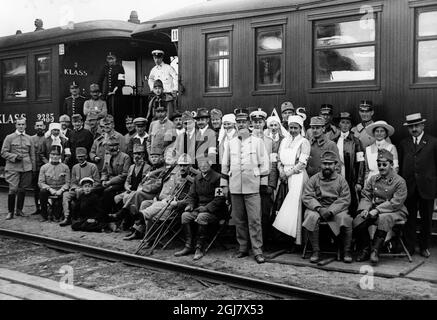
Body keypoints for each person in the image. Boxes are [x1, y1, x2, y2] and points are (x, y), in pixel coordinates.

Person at [221, 108, 270, 264]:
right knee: (239, 220)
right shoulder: (230, 143)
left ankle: (257, 250)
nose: (241, 124)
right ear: (236, 124)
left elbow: (265, 164)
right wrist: (224, 185)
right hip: (235, 186)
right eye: (239, 122)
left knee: (255, 220)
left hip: (252, 187)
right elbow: (225, 164)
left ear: (249, 124)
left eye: (244, 122)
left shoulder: (257, 142)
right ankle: (243, 247)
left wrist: (262, 184)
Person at [353, 149, 408, 265]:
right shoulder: (373, 179)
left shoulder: (399, 181)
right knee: (358, 221)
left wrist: (377, 210)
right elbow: (366, 196)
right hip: (375, 209)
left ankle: (375, 251)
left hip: (395, 211)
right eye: (379, 165)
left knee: (384, 218)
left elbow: (396, 202)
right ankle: (366, 249)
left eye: (384, 164)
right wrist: (364, 209)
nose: (381, 167)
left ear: (391, 165)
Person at [302, 150, 352, 263]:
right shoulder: (314, 179)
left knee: (346, 218)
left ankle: (347, 250)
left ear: (335, 165)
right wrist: (319, 208)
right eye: (325, 164)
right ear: (321, 165)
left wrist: (331, 211)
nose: (327, 166)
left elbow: (345, 199)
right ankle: (316, 250)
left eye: (330, 164)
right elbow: (307, 196)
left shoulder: (341, 180)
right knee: (311, 217)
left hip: (336, 209)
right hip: (317, 208)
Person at [399, 113, 437, 258]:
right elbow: (401, 166)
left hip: (427, 187)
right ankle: (410, 246)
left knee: (427, 219)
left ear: (422, 126)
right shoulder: (404, 143)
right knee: (410, 219)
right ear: (408, 129)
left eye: (416, 125)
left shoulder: (433, 142)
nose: (414, 129)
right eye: (411, 127)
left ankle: (424, 247)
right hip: (409, 188)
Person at [174, 157, 227, 260]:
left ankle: (199, 248)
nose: (203, 166)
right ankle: (188, 246)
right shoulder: (197, 178)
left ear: (210, 164)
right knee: (185, 216)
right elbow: (192, 196)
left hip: (215, 211)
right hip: (199, 209)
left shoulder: (217, 178)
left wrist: (206, 208)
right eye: (200, 164)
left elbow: (219, 199)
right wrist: (190, 205)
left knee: (202, 217)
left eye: (205, 163)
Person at [134, 154, 193, 242]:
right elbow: (169, 190)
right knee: (146, 204)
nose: (182, 167)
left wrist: (176, 202)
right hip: (168, 201)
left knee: (154, 212)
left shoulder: (193, 180)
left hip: (178, 207)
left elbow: (191, 199)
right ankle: (147, 234)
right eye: (180, 165)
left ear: (190, 166)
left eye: (185, 165)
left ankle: (143, 217)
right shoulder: (177, 175)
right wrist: (164, 198)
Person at [273, 115, 310, 246]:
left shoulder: (304, 142)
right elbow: (278, 159)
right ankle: (284, 240)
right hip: (283, 175)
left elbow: (302, 163)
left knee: (294, 207)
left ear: (300, 128)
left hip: (297, 176)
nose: (293, 130)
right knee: (281, 205)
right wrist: (281, 171)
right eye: (291, 127)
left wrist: (288, 173)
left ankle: (297, 240)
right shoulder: (284, 141)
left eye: (296, 128)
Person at [115, 148, 167, 239]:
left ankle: (123, 214)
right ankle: (135, 228)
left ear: (161, 158)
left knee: (137, 195)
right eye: (152, 157)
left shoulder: (163, 170)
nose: (154, 159)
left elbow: (157, 186)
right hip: (145, 191)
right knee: (134, 196)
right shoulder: (152, 168)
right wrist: (140, 187)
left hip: (154, 194)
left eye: (156, 157)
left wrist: (143, 188)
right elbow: (142, 181)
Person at [250, 109, 278, 244]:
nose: (257, 125)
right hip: (250, 183)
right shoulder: (245, 140)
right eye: (255, 122)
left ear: (264, 123)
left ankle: (264, 242)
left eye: (260, 122)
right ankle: (252, 242)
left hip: (265, 182)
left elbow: (273, 164)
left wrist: (271, 184)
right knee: (252, 213)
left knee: (265, 213)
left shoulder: (270, 141)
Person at [1, 117, 36, 219]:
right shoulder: (9, 137)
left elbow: (32, 155)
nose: (21, 126)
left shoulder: (29, 138)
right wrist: (14, 157)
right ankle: (10, 212)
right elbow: (3, 152)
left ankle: (19, 210)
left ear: (25, 125)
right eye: (19, 124)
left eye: (23, 124)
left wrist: (33, 169)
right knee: (13, 189)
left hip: (26, 168)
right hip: (13, 168)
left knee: (22, 189)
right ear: (16, 125)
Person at [333, 112, 365, 214]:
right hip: (337, 173)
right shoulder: (334, 140)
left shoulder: (356, 141)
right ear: (339, 124)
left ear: (351, 125)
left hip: (351, 174)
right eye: (343, 122)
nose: (345, 125)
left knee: (351, 199)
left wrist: (359, 181)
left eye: (348, 123)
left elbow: (361, 162)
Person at [112, 144, 151, 229]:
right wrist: (127, 187)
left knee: (128, 198)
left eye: (139, 154)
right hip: (130, 190)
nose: (137, 156)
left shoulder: (148, 168)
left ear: (143, 155)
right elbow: (127, 181)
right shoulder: (131, 167)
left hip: (139, 191)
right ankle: (124, 219)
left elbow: (147, 182)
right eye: (135, 154)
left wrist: (137, 189)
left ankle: (127, 221)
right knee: (117, 198)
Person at [60, 147, 100, 227]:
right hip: (77, 189)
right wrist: (76, 188)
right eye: (79, 156)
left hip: (88, 190)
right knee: (65, 195)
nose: (80, 158)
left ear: (86, 157)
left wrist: (85, 188)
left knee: (80, 193)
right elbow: (73, 182)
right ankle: (67, 217)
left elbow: (97, 182)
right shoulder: (75, 167)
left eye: (82, 156)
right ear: (76, 157)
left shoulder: (93, 166)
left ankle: (79, 217)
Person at [38, 145, 70, 222]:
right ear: (49, 155)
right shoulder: (44, 167)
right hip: (49, 189)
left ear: (60, 156)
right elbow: (40, 183)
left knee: (57, 217)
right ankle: (44, 215)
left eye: (57, 155)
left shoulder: (65, 167)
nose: (55, 156)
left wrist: (61, 190)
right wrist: (50, 189)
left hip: (60, 190)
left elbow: (68, 183)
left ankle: (57, 214)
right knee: (42, 192)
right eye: (53, 154)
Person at [101, 138, 131, 218]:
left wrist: (110, 182)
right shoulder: (107, 156)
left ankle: (107, 217)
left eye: (115, 145)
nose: (112, 148)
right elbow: (104, 171)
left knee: (107, 191)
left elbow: (125, 174)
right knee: (96, 190)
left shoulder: (125, 157)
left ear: (118, 146)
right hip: (108, 181)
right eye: (110, 146)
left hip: (121, 182)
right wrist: (103, 180)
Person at [148, 50, 178, 116]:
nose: (156, 60)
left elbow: (176, 78)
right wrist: (153, 89)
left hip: (168, 95)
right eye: (155, 58)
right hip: (157, 96)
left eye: (158, 58)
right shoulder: (153, 70)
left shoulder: (168, 68)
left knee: (169, 113)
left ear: (161, 58)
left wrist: (175, 89)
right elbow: (150, 79)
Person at [30, 120, 47, 216]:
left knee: (44, 189)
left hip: (45, 168)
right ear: (35, 127)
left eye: (41, 125)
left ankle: (46, 208)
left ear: (44, 126)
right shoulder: (31, 139)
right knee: (36, 189)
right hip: (35, 168)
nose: (39, 127)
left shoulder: (48, 138)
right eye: (37, 125)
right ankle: (38, 208)